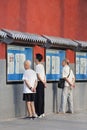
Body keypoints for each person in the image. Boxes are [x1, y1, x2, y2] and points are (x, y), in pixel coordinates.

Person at [35, 53, 46, 118]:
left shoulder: (37, 66)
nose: (34, 59)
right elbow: (44, 75)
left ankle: (38, 113)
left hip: (39, 83)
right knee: (42, 97)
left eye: (35, 58)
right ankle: (42, 112)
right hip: (42, 82)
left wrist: (42, 82)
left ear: (37, 59)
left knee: (38, 98)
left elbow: (38, 76)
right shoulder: (42, 66)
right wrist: (44, 82)